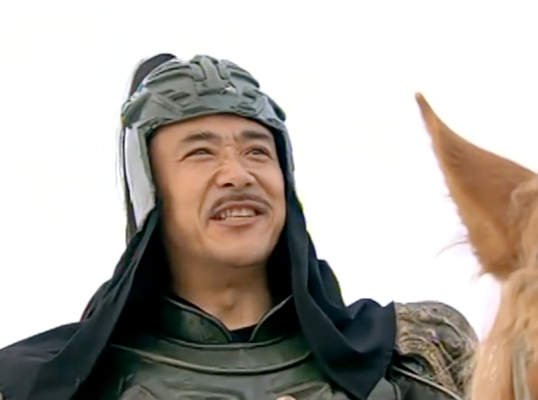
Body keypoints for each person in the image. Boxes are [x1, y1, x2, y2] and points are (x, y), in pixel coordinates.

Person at [0, 54, 477, 400]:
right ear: (151, 191)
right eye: (200, 152)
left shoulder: (412, 359)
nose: (238, 174)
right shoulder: (38, 385)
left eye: (257, 151)